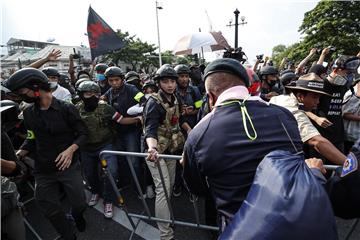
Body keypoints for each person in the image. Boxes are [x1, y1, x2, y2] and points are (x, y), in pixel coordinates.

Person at [182, 58, 303, 227]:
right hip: (291, 220)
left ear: (210, 97)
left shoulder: (199, 134)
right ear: (246, 87)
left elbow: (197, 188)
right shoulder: (284, 115)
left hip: (240, 227)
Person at [3, 68, 88, 240]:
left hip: (68, 167)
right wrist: (20, 152)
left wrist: (70, 150)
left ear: (35, 86)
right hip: (43, 169)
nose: (20, 96)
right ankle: (67, 234)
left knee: (80, 204)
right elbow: (31, 137)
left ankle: (77, 216)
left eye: (21, 91)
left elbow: (83, 134)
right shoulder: (28, 113)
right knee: (48, 208)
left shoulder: (67, 108)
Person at [76, 80, 135, 218]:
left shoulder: (105, 108)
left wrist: (138, 118)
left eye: (95, 93)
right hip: (86, 148)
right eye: (88, 93)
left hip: (105, 146)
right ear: (81, 94)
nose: (91, 96)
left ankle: (109, 200)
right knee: (89, 174)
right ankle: (96, 192)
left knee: (112, 172)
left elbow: (121, 120)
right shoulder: (76, 109)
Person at [143, 64, 186, 240]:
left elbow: (179, 120)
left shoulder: (175, 99)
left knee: (168, 188)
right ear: (159, 83)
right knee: (162, 189)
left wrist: (192, 131)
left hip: (170, 149)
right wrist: (152, 148)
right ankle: (165, 234)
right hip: (155, 152)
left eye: (172, 81)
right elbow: (150, 129)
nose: (170, 85)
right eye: (165, 81)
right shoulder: (153, 102)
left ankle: (166, 218)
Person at [270, 73, 346, 165]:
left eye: (319, 98)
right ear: (300, 96)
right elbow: (316, 141)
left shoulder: (280, 98)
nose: (317, 102)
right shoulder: (293, 109)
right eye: (314, 97)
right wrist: (351, 165)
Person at [102, 66, 146, 196]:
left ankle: (140, 189)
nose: (114, 83)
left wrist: (138, 113)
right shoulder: (109, 93)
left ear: (122, 79)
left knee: (134, 161)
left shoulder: (131, 89)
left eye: (117, 80)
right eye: (111, 80)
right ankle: (126, 183)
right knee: (121, 160)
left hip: (131, 131)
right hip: (116, 132)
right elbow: (102, 101)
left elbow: (144, 101)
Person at [312, 56, 360, 154]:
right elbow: (302, 107)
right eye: (346, 73)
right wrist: (316, 118)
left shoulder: (343, 87)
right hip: (321, 135)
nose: (347, 76)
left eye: (349, 74)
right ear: (335, 69)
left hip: (338, 135)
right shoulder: (321, 85)